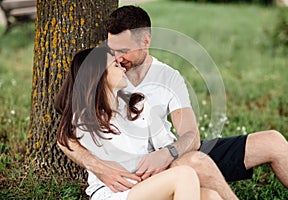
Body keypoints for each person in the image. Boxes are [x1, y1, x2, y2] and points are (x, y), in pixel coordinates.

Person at [57, 5, 288, 200]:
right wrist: (98, 166)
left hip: (171, 156)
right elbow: (67, 133)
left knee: (272, 141)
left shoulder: (168, 77)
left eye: (124, 51)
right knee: (196, 166)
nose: (119, 59)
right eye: (112, 50)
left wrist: (168, 152)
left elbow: (191, 137)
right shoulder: (105, 81)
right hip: (148, 174)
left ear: (145, 41)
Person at [55, 46, 222, 199]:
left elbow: (165, 145)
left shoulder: (138, 106)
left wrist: (163, 158)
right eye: (115, 65)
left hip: (149, 185)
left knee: (211, 196)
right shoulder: (85, 119)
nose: (123, 68)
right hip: (114, 193)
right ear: (98, 76)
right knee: (184, 175)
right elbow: (66, 140)